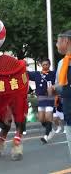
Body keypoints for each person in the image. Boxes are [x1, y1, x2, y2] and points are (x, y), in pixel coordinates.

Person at [28, 58, 56, 144]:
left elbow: (59, 82)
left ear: (49, 65)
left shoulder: (53, 74)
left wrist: (54, 89)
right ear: (41, 65)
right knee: (41, 119)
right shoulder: (37, 74)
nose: (45, 66)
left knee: (48, 117)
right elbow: (26, 74)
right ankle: (51, 129)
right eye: (43, 65)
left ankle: (46, 136)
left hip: (49, 99)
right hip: (41, 99)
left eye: (46, 64)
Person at [54, 30, 71, 158]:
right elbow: (60, 86)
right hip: (68, 111)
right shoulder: (61, 63)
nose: (56, 44)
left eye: (58, 41)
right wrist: (55, 89)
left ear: (66, 41)